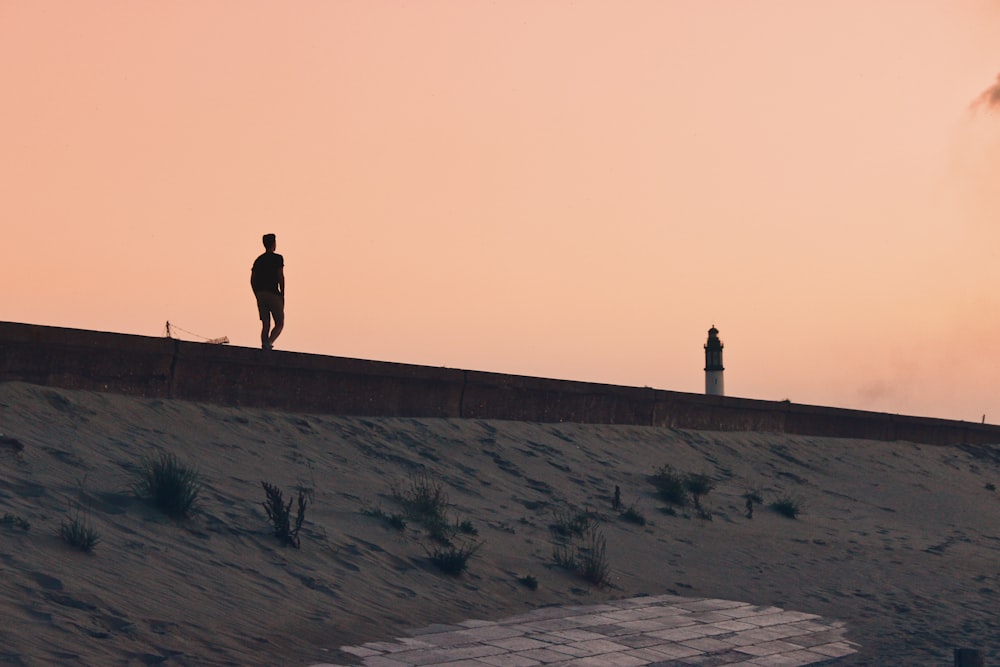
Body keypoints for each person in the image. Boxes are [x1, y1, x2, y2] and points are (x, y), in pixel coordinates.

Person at [251, 233, 285, 350]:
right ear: (273, 243)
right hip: (273, 293)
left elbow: (252, 279)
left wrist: (256, 293)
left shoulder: (258, 260)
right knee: (279, 323)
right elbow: (280, 276)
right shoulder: (277, 258)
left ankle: (264, 345)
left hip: (261, 294)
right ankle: (269, 343)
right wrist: (282, 294)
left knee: (266, 324)